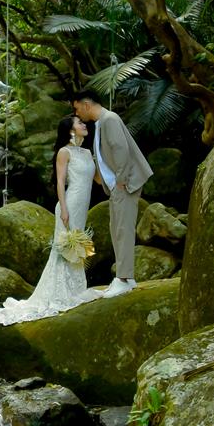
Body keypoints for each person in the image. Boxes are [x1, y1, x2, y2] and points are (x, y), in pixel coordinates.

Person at [0, 115, 102, 325]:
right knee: (64, 247)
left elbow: (97, 179)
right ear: (71, 130)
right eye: (79, 123)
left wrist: (100, 157)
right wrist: (64, 209)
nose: (84, 125)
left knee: (78, 245)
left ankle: (76, 288)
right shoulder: (64, 152)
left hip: (83, 205)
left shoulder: (87, 152)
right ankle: (60, 292)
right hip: (70, 202)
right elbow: (60, 182)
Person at [72, 89, 153, 298]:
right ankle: (126, 278)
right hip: (117, 187)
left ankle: (124, 279)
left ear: (86, 105)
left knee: (123, 228)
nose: (77, 113)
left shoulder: (109, 119)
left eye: (77, 108)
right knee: (116, 228)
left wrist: (121, 181)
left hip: (125, 184)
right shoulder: (101, 123)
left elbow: (121, 150)